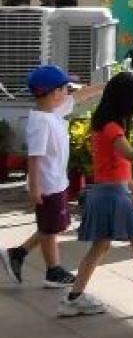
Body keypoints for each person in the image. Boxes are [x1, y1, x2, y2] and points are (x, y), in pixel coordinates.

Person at [62, 72, 133, 318]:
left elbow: (117, 168)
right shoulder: (113, 128)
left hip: (108, 193)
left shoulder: (104, 125)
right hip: (113, 196)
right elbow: (130, 156)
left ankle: (74, 297)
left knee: (101, 247)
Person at [4, 65, 104, 292]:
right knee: (50, 228)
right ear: (55, 93)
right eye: (66, 88)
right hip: (47, 184)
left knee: (52, 225)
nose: (69, 93)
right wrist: (35, 187)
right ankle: (52, 271)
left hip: (55, 181)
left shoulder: (53, 111)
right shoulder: (41, 121)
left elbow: (79, 96)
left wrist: (105, 86)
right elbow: (34, 156)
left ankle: (18, 254)